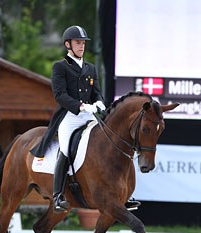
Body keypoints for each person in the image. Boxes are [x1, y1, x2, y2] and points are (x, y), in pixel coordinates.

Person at [31, 25, 140, 212]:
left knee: (110, 142)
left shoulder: (90, 68)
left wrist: (99, 103)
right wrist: (80, 106)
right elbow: (59, 95)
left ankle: (125, 194)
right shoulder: (60, 67)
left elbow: (96, 92)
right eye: (77, 43)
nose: (81, 46)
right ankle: (58, 195)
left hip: (89, 116)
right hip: (69, 117)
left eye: (83, 43)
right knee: (65, 148)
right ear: (68, 44)